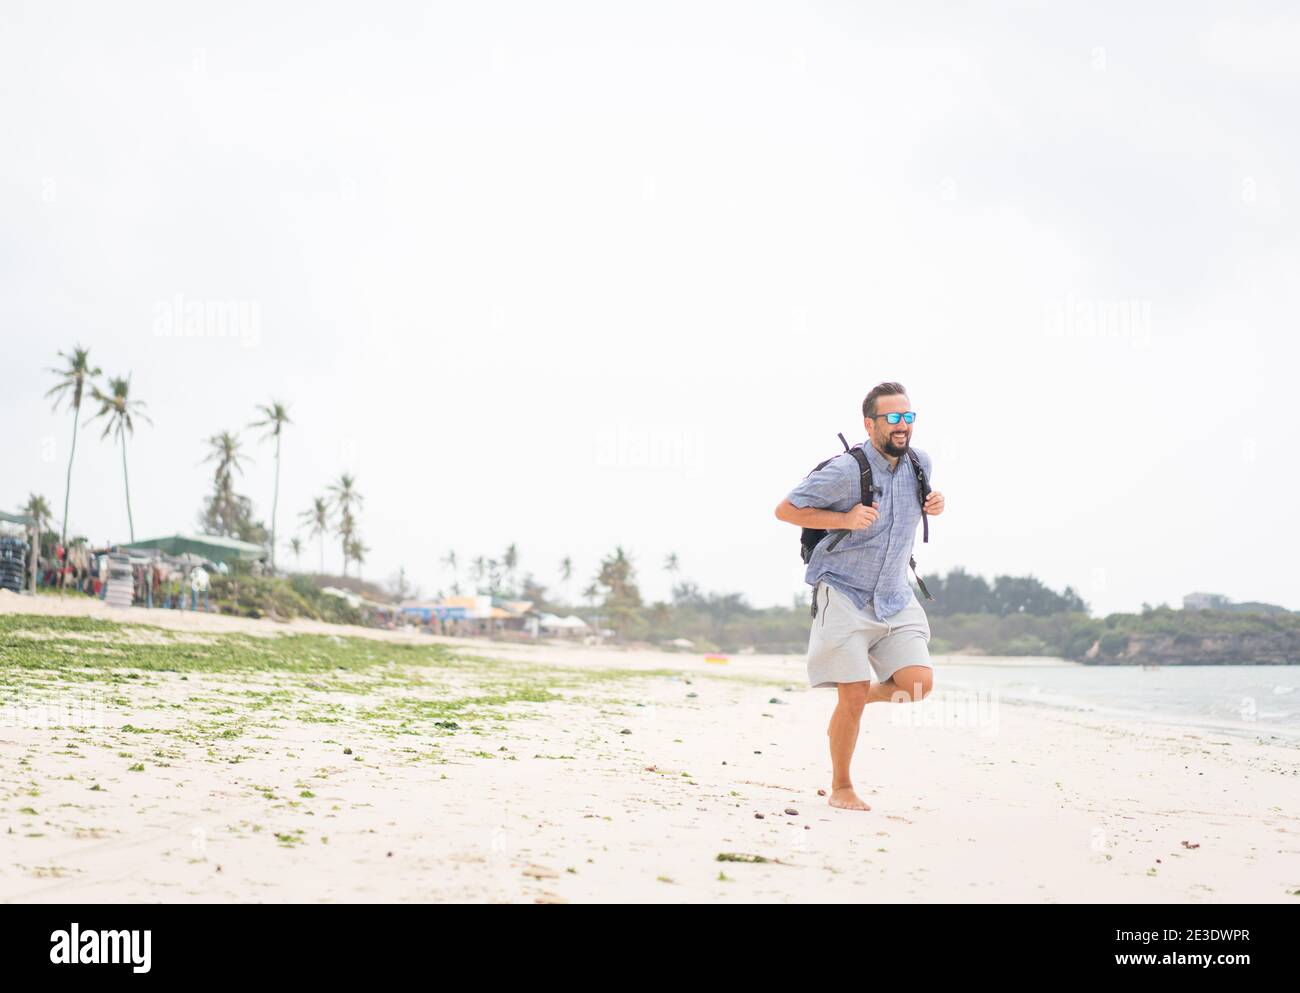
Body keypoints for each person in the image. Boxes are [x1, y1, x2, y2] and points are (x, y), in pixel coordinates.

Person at [774, 381, 946, 812]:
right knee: (849, 696)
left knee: (919, 685)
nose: (903, 425)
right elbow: (786, 510)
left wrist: (935, 503)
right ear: (870, 425)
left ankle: (860, 695)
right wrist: (845, 518)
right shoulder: (846, 471)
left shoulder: (919, 464)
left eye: (908, 416)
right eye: (893, 417)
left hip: (893, 594)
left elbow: (915, 504)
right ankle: (842, 788)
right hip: (845, 592)